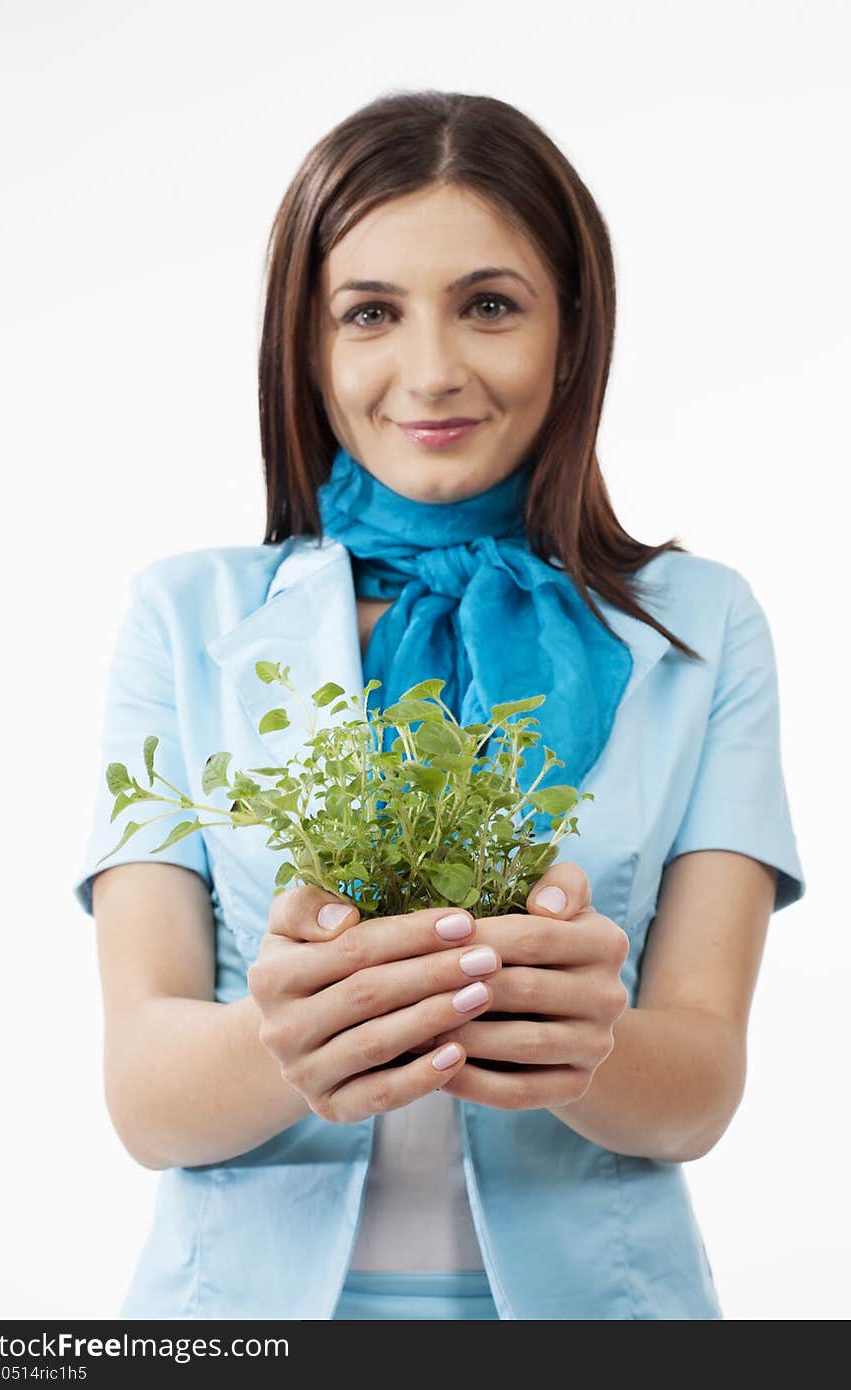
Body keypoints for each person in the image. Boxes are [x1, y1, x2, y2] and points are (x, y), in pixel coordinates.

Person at [71, 90, 806, 1321]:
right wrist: (292, 1032)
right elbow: (145, 1095)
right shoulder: (184, 619)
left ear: (571, 330)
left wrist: (587, 1038)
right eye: (369, 313)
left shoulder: (700, 625)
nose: (432, 370)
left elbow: (700, 1086)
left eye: (489, 305)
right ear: (305, 347)